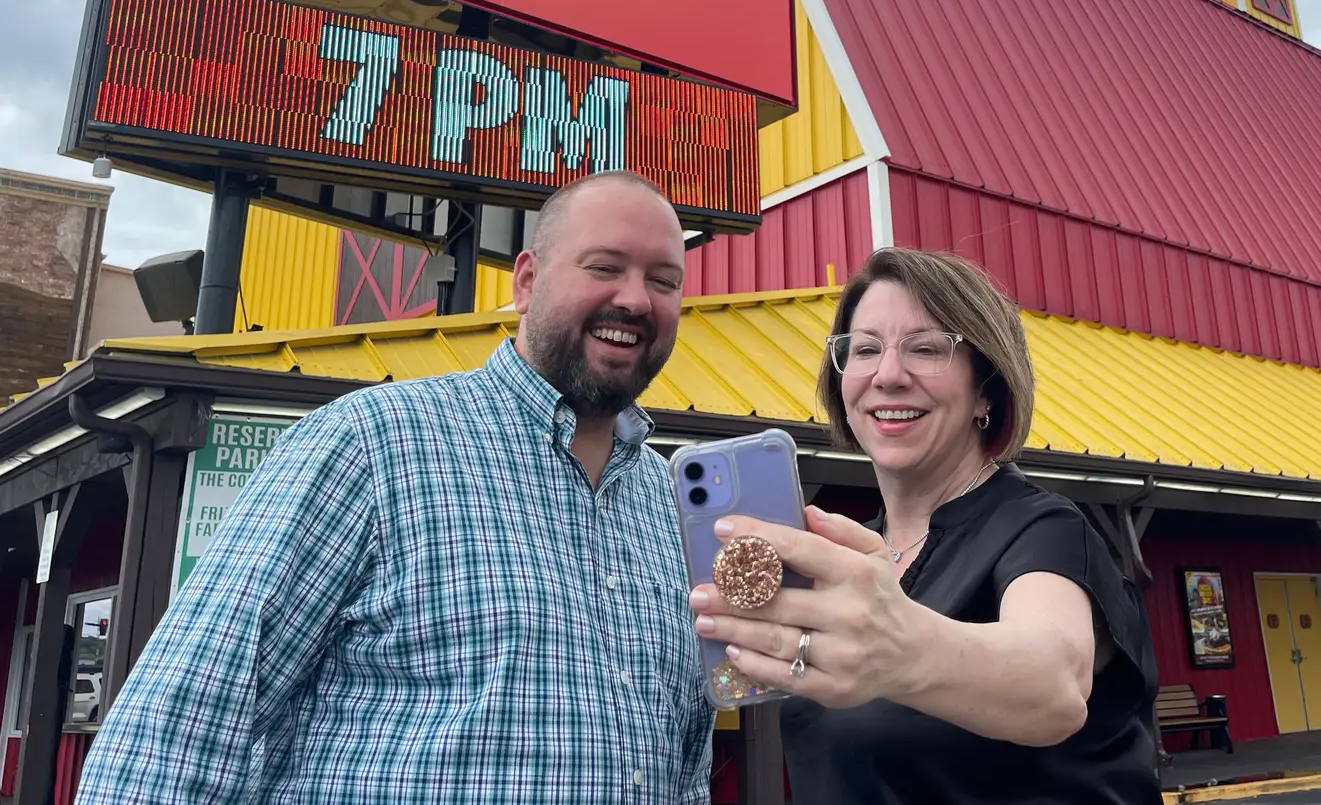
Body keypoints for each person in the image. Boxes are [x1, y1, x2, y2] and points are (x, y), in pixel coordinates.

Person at [75, 171, 714, 805]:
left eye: (663, 280)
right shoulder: (370, 445)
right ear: (527, 281)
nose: (636, 300)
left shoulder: (672, 507)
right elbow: (179, 733)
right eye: (605, 267)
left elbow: (686, 769)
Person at [691, 248, 1162, 804]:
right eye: (865, 349)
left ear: (985, 388)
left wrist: (899, 649)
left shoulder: (1043, 529)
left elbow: (1054, 681)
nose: (888, 375)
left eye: (926, 348)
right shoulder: (846, 553)